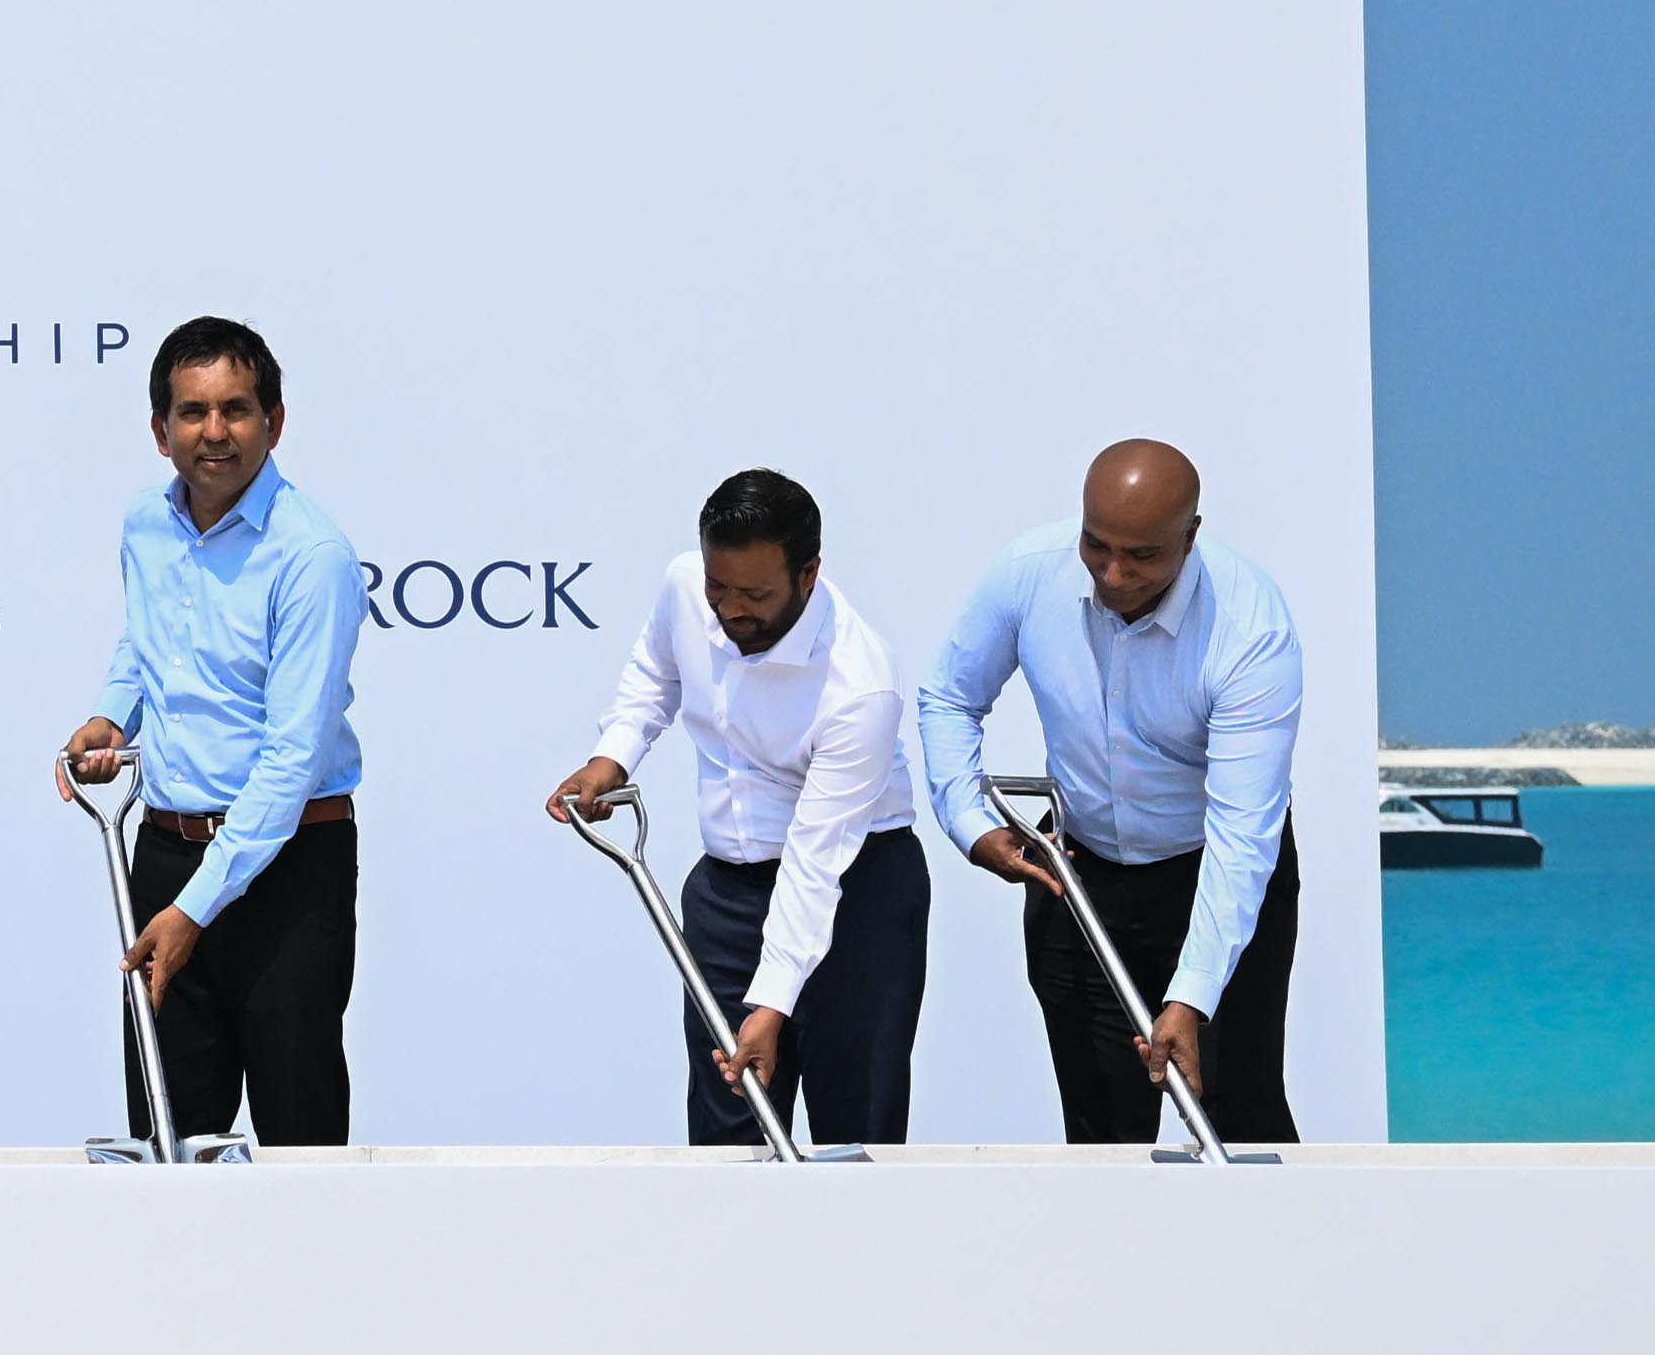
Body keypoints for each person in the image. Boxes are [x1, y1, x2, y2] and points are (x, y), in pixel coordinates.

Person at [914, 438, 1306, 1146]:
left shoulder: (1251, 627)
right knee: (1099, 1134)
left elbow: (1243, 832)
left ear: (1189, 537)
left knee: (1240, 1118)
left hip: (1210, 872)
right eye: (1096, 545)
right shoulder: (1027, 571)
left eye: (1141, 556)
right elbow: (948, 697)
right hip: (1076, 873)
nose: (1113, 573)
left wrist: (1192, 994)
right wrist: (968, 821)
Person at [546, 469, 928, 1149]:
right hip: (725, 893)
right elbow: (653, 673)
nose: (730, 610)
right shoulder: (684, 585)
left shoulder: (860, 684)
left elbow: (816, 859)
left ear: (808, 574)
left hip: (854, 892)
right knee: (726, 1134)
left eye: (755, 595)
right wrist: (613, 757)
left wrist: (772, 1000)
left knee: (852, 1128)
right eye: (718, 587)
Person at [59, 315, 367, 1148]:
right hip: (164, 853)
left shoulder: (312, 556)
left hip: (287, 868)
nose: (215, 431)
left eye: (236, 408)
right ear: (160, 431)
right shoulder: (145, 522)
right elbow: (147, 638)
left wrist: (192, 909)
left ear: (275, 420)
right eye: (192, 411)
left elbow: (292, 758)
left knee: (298, 1140)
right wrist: (110, 713)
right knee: (165, 1139)